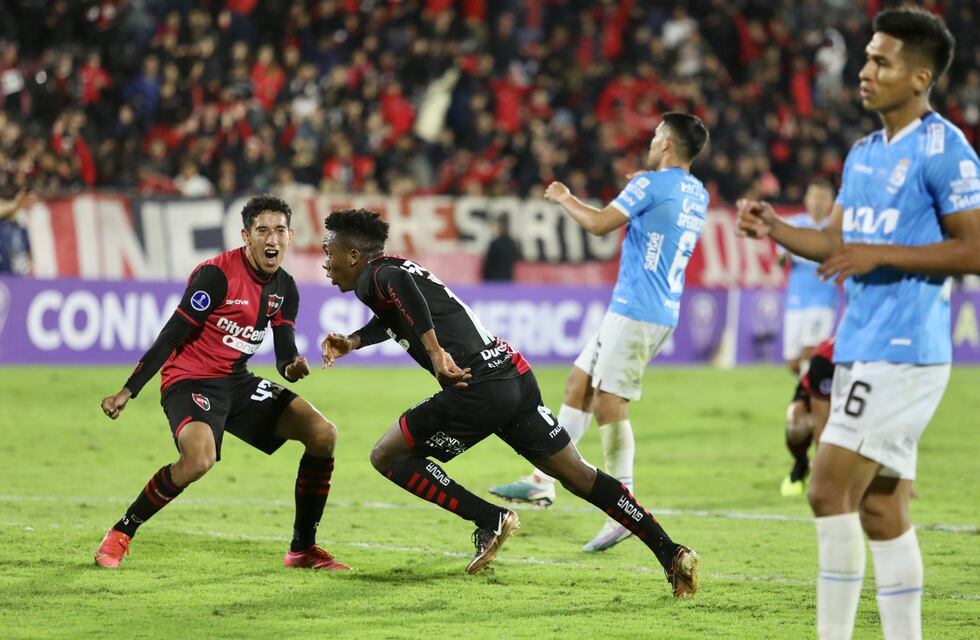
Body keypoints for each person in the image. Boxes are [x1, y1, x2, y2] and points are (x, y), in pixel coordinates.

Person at [736, 8, 980, 639]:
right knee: (879, 507)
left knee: (825, 490)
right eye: (867, 57)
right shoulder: (864, 154)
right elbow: (834, 243)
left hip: (904, 350)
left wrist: (882, 254)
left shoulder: (946, 150)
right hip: (862, 346)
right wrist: (776, 230)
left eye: (882, 60)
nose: (865, 70)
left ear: (920, 76)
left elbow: (975, 249)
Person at [319, 208, 700, 597]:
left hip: (475, 386)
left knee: (388, 456)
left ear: (353, 255)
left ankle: (491, 519)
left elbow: (400, 290)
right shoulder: (394, 268)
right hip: (511, 374)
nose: (325, 263)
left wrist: (435, 353)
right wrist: (353, 342)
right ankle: (671, 553)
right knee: (579, 475)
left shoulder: (377, 276)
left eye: (328, 250)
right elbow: (396, 311)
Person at [488, 112, 711, 553]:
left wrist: (564, 197)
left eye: (654, 135)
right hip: (654, 308)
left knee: (610, 401)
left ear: (666, 142)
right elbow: (660, 211)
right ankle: (543, 479)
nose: (649, 140)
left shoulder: (650, 184)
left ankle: (623, 508)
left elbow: (598, 224)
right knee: (578, 385)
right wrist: (643, 185)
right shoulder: (695, 192)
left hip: (636, 309)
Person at [95, 194, 349, 571]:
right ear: (246, 236)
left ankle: (302, 549)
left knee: (323, 434)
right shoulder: (216, 276)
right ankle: (120, 533)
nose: (272, 239)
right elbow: (171, 335)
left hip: (237, 382)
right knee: (199, 460)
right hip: (191, 379)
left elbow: (283, 352)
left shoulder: (285, 289)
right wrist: (128, 390)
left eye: (279, 230)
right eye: (262, 230)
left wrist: (292, 366)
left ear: (291, 236)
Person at [780, 179, 840, 375]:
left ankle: (808, 401)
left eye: (822, 198)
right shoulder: (793, 227)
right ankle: (807, 394)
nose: (817, 202)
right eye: (814, 197)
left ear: (831, 202)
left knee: (810, 351)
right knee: (792, 361)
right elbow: (779, 261)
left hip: (823, 301)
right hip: (796, 300)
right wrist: (783, 254)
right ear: (806, 199)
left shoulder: (834, 230)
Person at [781, 337, 834, 497]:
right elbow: (820, 423)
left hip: (850, 403)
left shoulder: (875, 357)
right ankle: (802, 464)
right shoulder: (825, 358)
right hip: (817, 401)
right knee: (797, 428)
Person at [0, 189, 36, 275]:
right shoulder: (3, 226)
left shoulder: (21, 228)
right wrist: (16, 204)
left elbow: (29, 253)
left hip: (18, 277)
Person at [480, 217, 522, 282]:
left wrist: (484, 278)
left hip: (494, 279)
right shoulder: (512, 243)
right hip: (508, 278)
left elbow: (488, 263)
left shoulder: (495, 243)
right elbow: (516, 258)